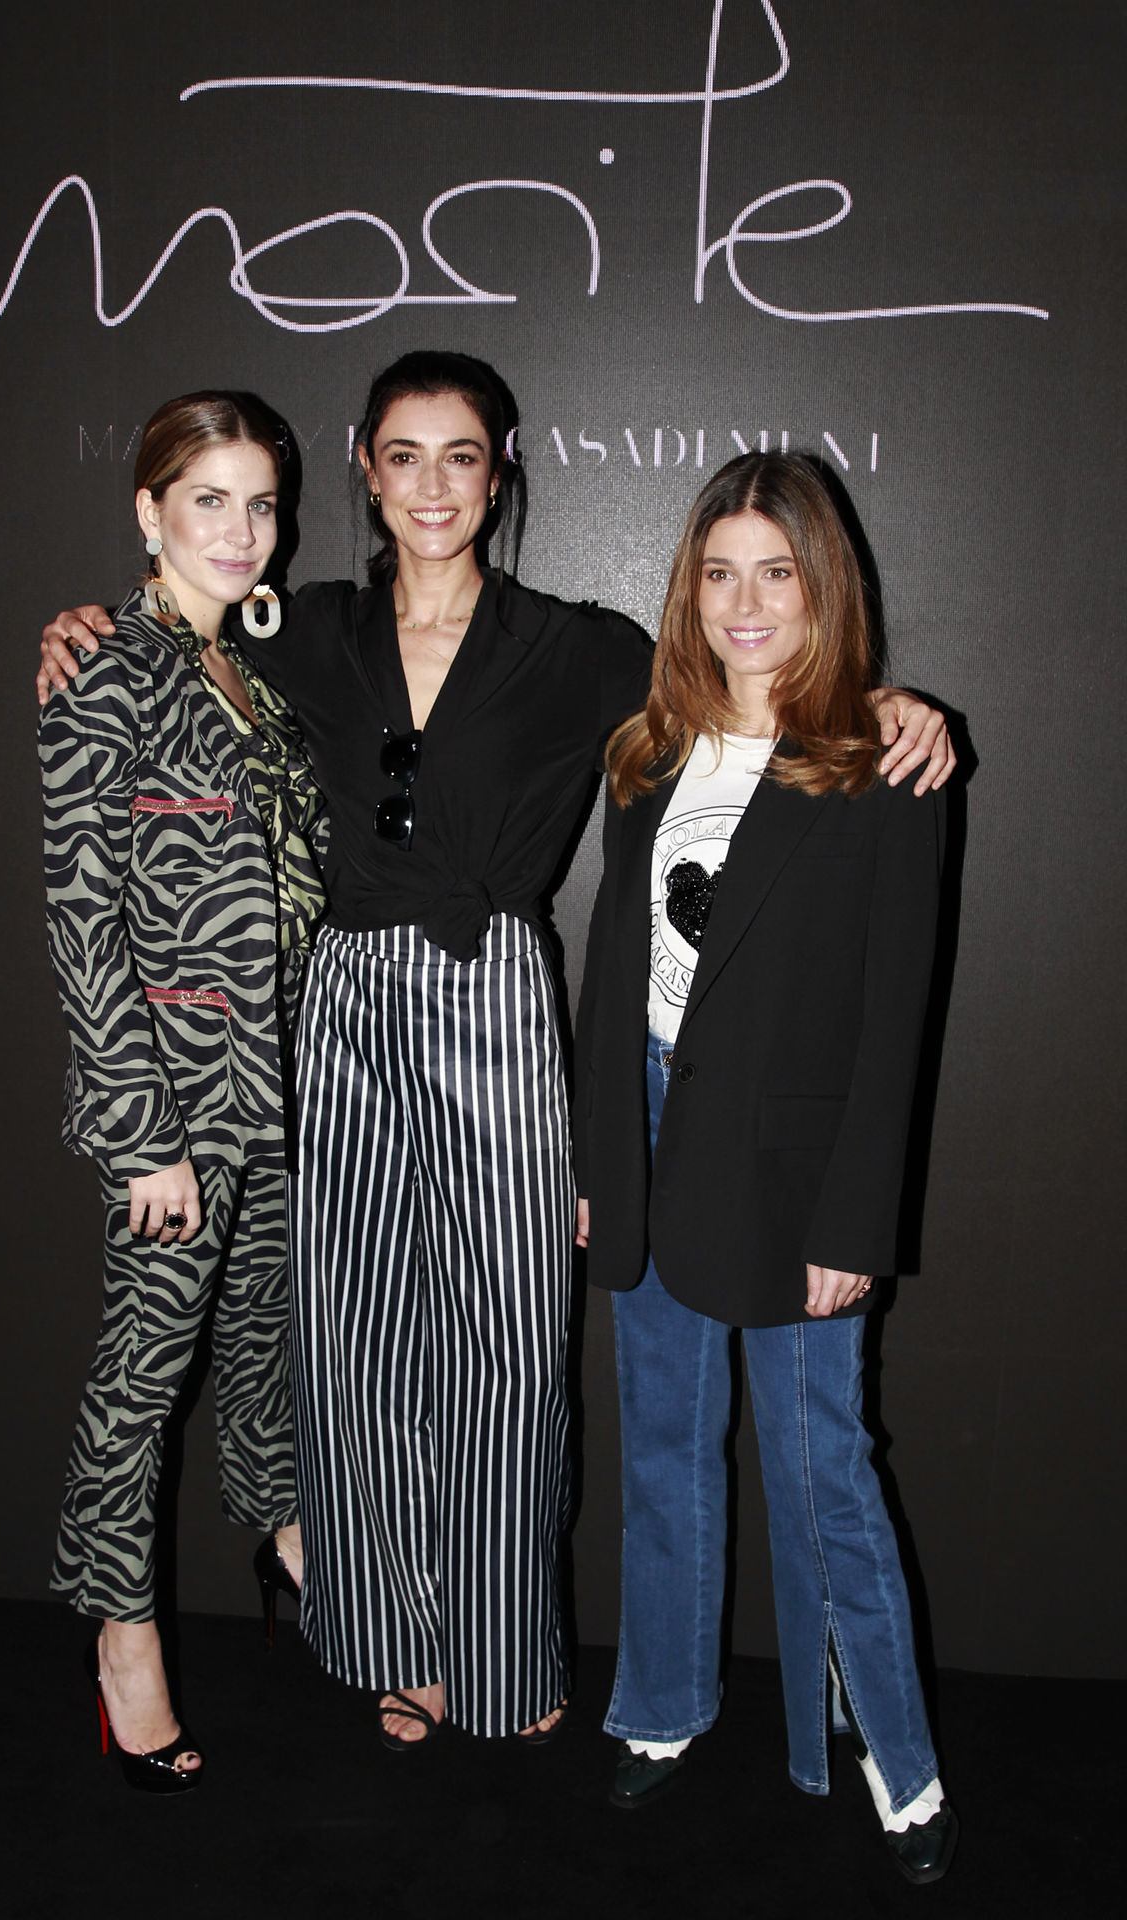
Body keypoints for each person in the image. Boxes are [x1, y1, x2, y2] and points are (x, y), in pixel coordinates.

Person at [37, 353, 955, 1747]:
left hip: (500, 1008)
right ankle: (388, 1642)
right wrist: (86, 623)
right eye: (403, 455)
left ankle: (503, 1653)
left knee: (511, 1354)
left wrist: (892, 705)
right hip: (337, 1006)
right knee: (358, 1352)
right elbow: (178, 635)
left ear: (499, 471)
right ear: (366, 471)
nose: (432, 486)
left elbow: (749, 675)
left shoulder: (579, 646)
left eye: (460, 456)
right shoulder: (302, 625)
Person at [573, 451, 957, 1882]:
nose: (745, 604)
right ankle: (662, 1708)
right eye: (720, 573)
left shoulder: (885, 762)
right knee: (663, 1452)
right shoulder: (646, 752)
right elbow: (615, 972)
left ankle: (893, 1761)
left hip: (795, 1173)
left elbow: (897, 1016)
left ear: (822, 587)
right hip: (651, 1135)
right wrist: (603, 1160)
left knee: (822, 1469)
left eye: (776, 574)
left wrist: (856, 1217)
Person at [40, 391, 326, 1791]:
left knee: (266, 1346)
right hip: (176, 1106)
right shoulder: (106, 671)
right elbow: (82, 916)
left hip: (285, 1090)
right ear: (149, 511)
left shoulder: (258, 680)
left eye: (261, 503)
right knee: (143, 1377)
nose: (241, 530)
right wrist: (139, 1131)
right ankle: (121, 1635)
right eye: (210, 499)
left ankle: (283, 1534)